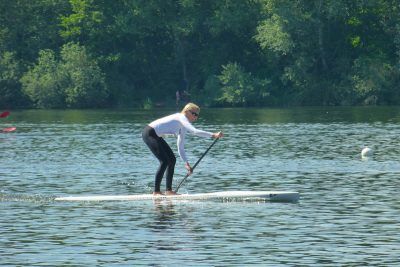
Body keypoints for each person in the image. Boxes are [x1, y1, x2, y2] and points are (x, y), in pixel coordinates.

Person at [142, 103, 223, 195]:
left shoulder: (183, 126)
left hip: (156, 135)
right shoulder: (181, 117)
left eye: (197, 116)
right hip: (149, 133)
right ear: (187, 112)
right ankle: (156, 191)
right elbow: (194, 131)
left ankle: (168, 191)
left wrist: (186, 163)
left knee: (172, 159)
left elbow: (180, 146)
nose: (196, 118)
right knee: (164, 161)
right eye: (194, 114)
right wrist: (213, 135)